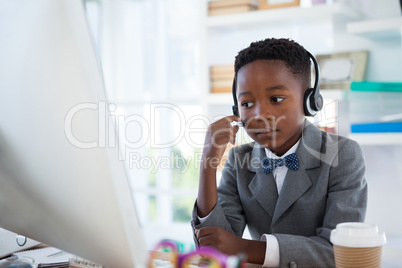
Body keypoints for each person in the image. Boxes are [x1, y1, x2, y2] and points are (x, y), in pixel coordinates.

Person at [191, 38, 368, 267]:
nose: (259, 114)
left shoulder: (342, 155)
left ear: (310, 102)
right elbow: (214, 246)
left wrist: (245, 247)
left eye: (276, 99)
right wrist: (208, 163)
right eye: (246, 104)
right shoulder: (240, 160)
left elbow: (340, 252)